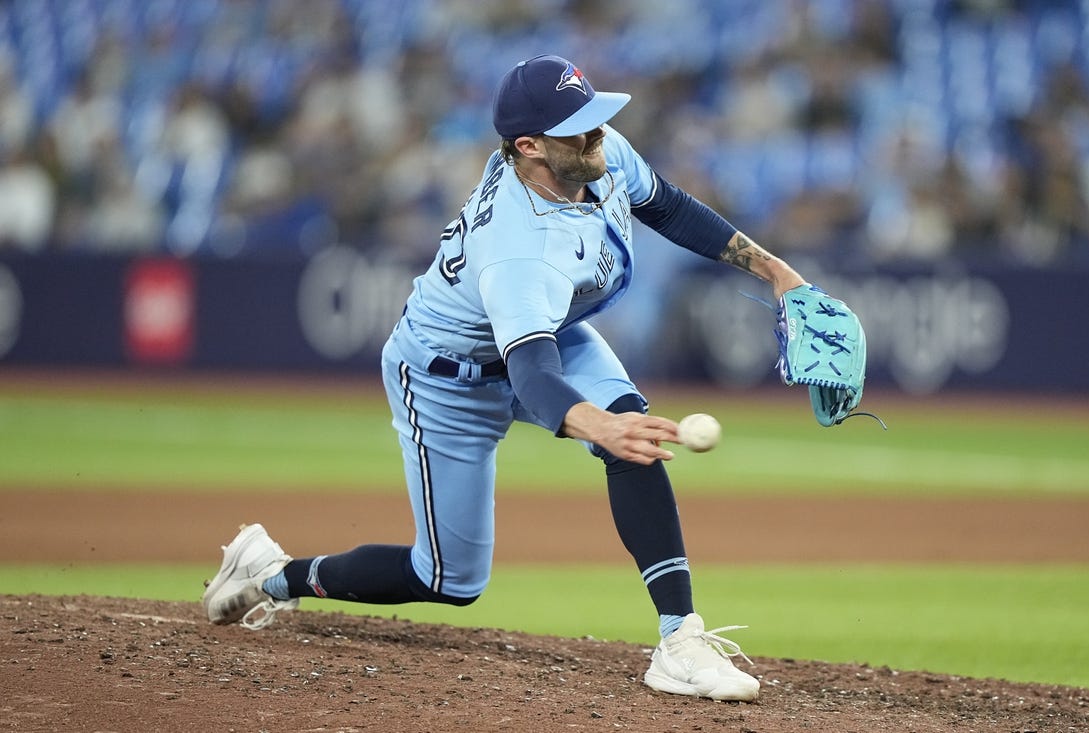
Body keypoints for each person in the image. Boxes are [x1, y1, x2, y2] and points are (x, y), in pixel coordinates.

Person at [203, 54, 809, 703]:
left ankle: (679, 637)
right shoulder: (518, 247)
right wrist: (595, 422)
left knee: (627, 432)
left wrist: (778, 272)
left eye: (597, 118)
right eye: (580, 126)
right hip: (446, 378)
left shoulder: (591, 155)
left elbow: (668, 205)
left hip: (550, 335)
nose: (598, 134)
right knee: (447, 578)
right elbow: (532, 373)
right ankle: (273, 574)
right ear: (529, 147)